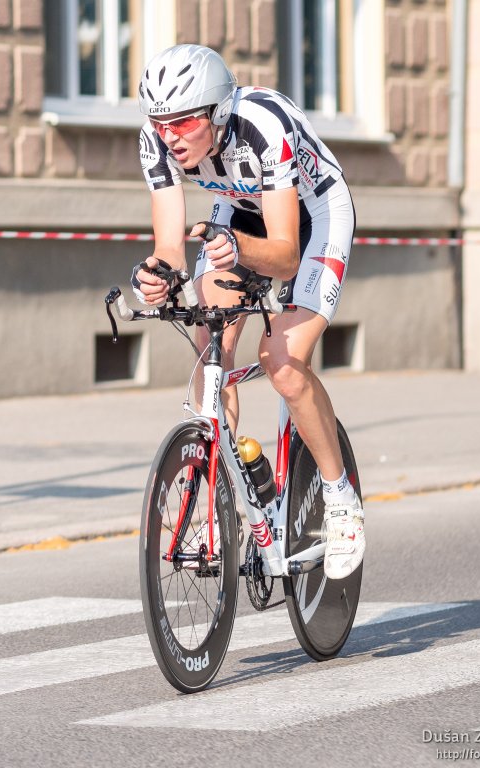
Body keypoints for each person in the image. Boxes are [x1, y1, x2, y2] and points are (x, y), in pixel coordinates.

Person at [131, 44, 364, 579]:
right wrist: (158, 276)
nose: (171, 137)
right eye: (161, 123)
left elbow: (283, 255)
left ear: (214, 112)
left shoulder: (263, 123)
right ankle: (216, 475)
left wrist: (236, 248)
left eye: (184, 122)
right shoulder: (158, 139)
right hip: (239, 210)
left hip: (312, 217)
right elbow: (170, 245)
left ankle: (340, 497)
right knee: (212, 342)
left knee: (281, 361)